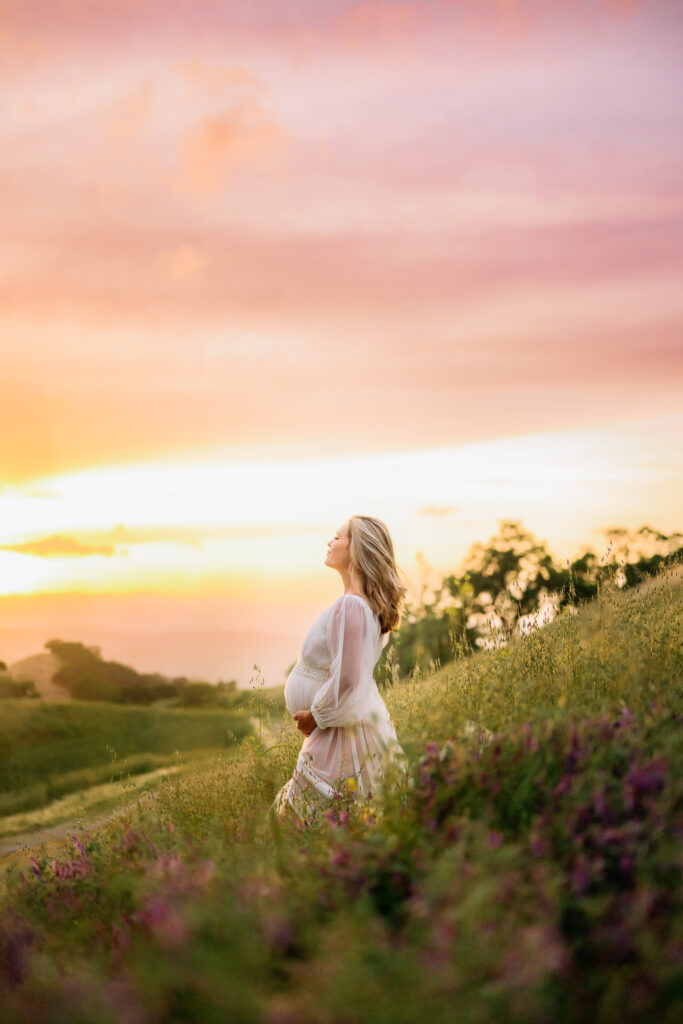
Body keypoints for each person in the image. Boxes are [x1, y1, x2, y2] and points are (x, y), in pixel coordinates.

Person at [271, 514, 408, 821]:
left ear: (356, 550)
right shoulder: (359, 604)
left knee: (307, 815)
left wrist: (315, 716)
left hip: (336, 729)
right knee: (339, 812)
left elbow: (347, 677)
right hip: (341, 725)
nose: (329, 542)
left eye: (336, 537)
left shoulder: (351, 606)